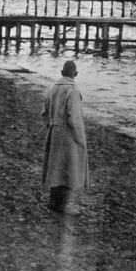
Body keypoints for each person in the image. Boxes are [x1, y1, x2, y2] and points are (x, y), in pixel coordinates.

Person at [42, 60, 89, 215]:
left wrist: (51, 127)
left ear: (62, 73)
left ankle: (53, 202)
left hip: (54, 132)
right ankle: (63, 206)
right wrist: (80, 140)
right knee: (68, 169)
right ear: (76, 74)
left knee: (55, 168)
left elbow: (44, 113)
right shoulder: (73, 90)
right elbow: (74, 119)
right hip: (67, 134)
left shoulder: (53, 88)